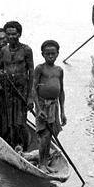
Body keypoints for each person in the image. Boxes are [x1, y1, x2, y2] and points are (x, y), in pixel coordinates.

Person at [0, 21, 35, 151]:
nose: (11, 37)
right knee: (10, 121)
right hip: (8, 90)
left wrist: (30, 96)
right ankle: (14, 146)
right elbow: (2, 68)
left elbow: (32, 73)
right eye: (8, 34)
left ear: (19, 34)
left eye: (14, 34)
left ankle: (24, 147)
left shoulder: (26, 50)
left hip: (22, 91)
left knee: (21, 121)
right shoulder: (4, 50)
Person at [32, 40, 66, 173]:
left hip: (54, 106)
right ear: (43, 54)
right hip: (42, 105)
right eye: (48, 54)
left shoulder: (59, 70)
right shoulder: (40, 69)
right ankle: (41, 164)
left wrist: (63, 112)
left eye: (53, 53)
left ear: (57, 54)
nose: (50, 56)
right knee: (44, 135)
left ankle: (45, 163)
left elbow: (61, 91)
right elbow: (34, 89)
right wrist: (38, 109)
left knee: (51, 135)